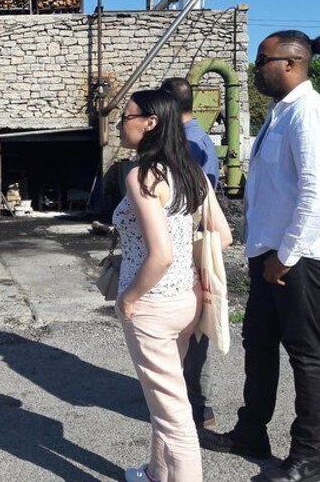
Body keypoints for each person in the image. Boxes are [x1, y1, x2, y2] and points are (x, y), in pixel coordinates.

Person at [199, 32, 320, 482]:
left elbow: (317, 193)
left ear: (292, 62)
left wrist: (285, 256)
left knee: (304, 353)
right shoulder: (280, 113)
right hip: (273, 252)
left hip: (303, 255)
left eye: (262, 60)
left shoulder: (310, 113)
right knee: (259, 344)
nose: (255, 67)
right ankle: (252, 432)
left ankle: (308, 458)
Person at [114, 89, 232, 482]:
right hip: (186, 299)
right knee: (164, 405)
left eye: (125, 116)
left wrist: (128, 299)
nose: (118, 123)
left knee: (175, 416)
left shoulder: (141, 175)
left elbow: (160, 254)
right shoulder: (190, 171)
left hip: (151, 305)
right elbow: (223, 236)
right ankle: (155, 474)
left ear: (149, 123)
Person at [160, 77, 219, 430]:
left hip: (194, 244)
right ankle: (186, 399)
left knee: (196, 328)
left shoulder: (192, 144)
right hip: (188, 242)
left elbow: (197, 202)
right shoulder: (189, 138)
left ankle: (200, 407)